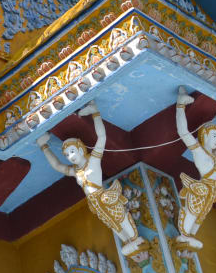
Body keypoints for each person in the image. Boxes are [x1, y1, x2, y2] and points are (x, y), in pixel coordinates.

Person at [36, 101, 146, 257]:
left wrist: (95, 114)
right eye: (67, 155)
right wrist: (44, 147)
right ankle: (130, 246)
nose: (70, 157)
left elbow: (101, 137)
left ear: (81, 149)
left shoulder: (92, 161)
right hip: (95, 203)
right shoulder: (76, 171)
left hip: (105, 197)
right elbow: (58, 166)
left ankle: (136, 241)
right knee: (113, 224)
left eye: (72, 151)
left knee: (121, 219)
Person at [175, 87, 216, 250]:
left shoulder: (213, 156)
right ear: (204, 136)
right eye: (214, 136)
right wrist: (180, 106)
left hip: (211, 192)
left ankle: (189, 239)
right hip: (202, 189)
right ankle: (184, 237)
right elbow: (183, 132)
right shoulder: (199, 153)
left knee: (199, 219)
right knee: (192, 215)